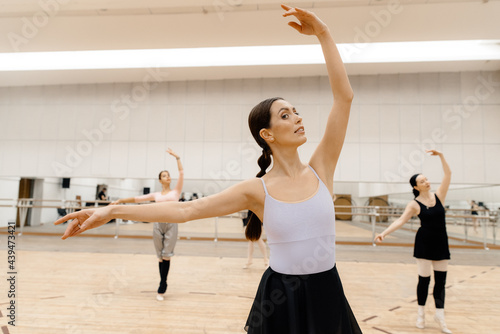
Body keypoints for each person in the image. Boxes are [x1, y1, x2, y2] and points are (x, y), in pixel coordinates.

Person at [55, 5, 361, 333]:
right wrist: (112, 210)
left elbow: (343, 98)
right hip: (281, 296)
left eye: (296, 111)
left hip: (327, 291)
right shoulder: (256, 190)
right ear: (267, 134)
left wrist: (323, 34)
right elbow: (188, 210)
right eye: (285, 115)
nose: (298, 117)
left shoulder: (321, 168)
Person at [375, 150, 452, 334]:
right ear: (416, 187)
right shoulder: (414, 204)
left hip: (441, 242)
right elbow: (400, 221)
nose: (427, 182)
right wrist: (383, 233)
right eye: (422, 181)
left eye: (427, 179)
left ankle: (440, 315)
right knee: (424, 280)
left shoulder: (439, 195)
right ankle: (421, 313)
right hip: (424, 243)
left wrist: (441, 156)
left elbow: (448, 175)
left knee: (441, 281)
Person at [110, 148, 184, 301]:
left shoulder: (176, 192)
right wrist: (120, 201)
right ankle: (162, 281)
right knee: (159, 256)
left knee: (167, 255)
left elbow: (182, 174)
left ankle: (163, 284)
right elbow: (138, 199)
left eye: (169, 175)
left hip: (171, 225)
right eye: (165, 175)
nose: (168, 177)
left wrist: (177, 158)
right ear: (160, 180)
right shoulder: (156, 195)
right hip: (158, 225)